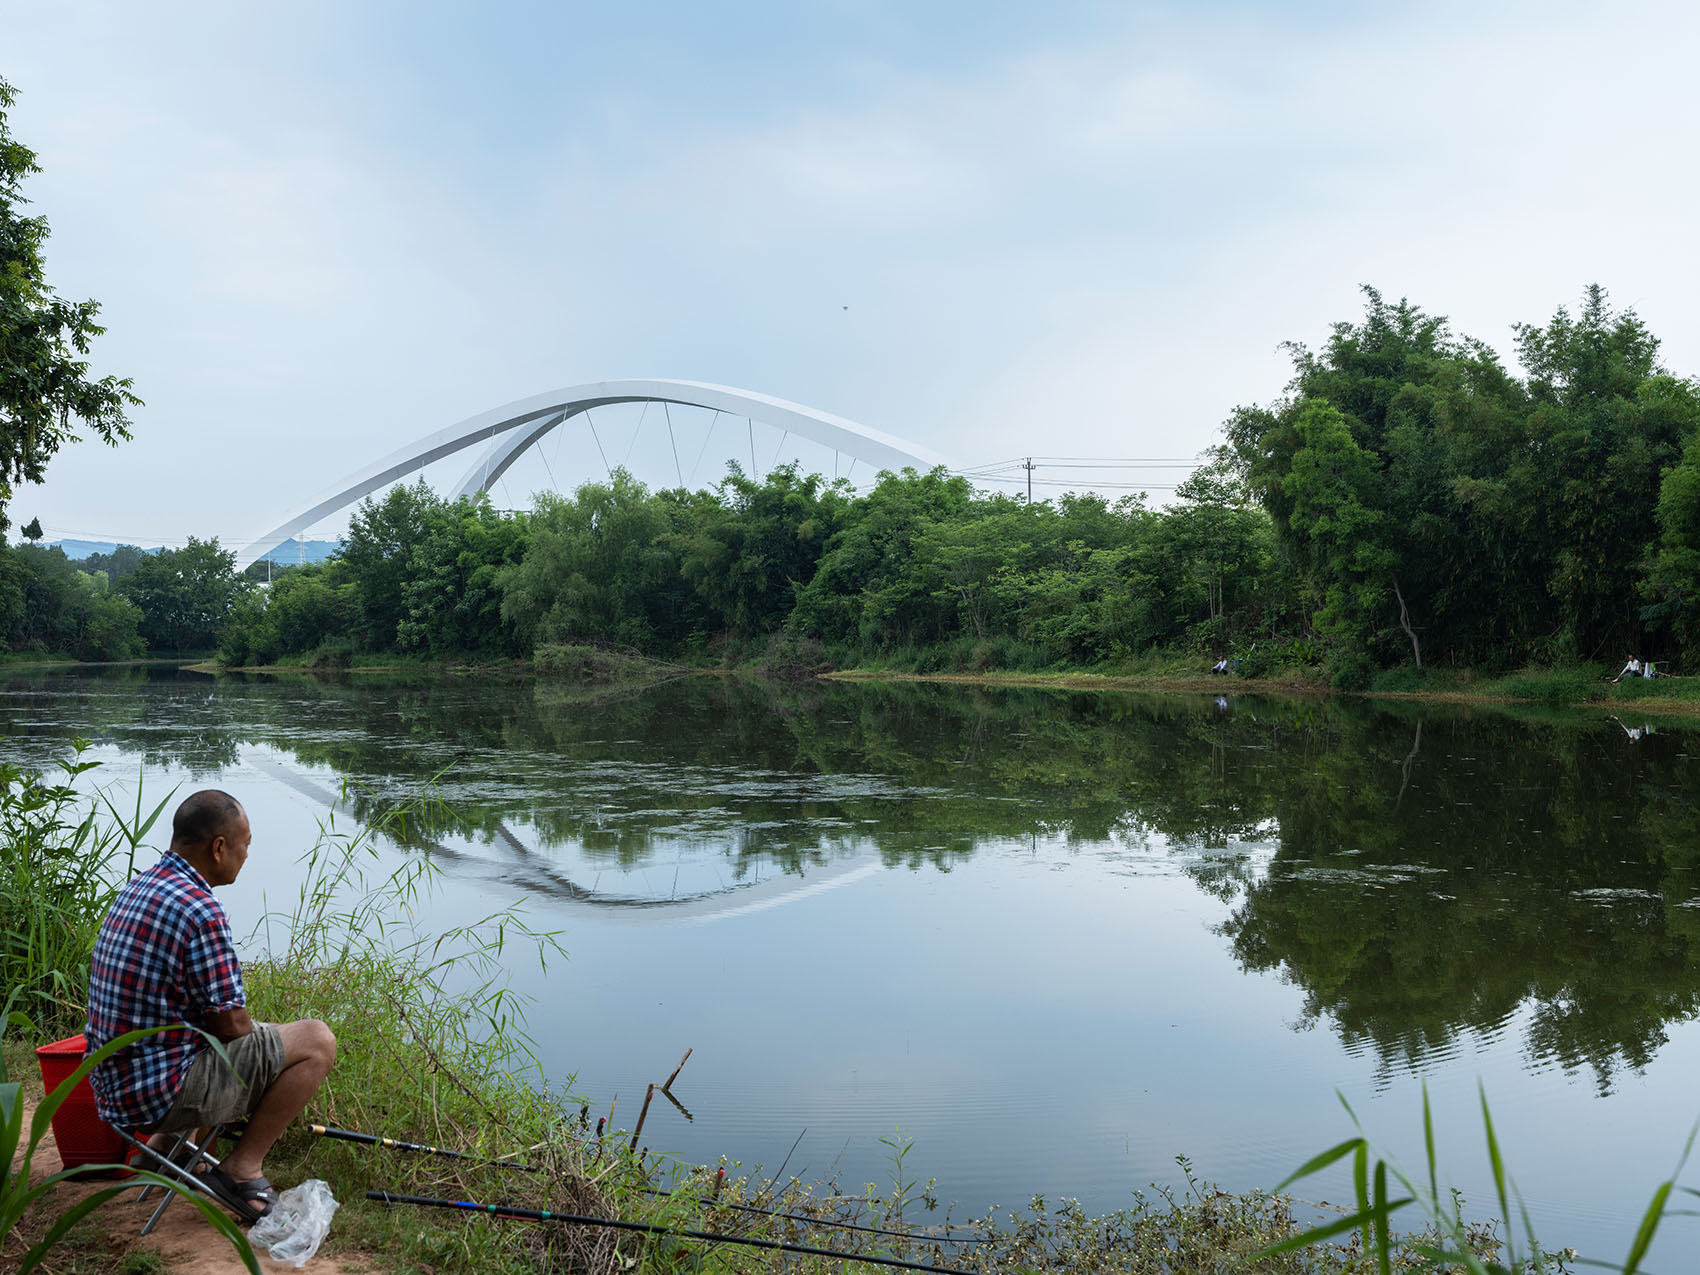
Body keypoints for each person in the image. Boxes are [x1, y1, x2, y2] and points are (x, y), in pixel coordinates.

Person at [85, 790, 336, 1222]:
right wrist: (259, 1029)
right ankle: (242, 1169)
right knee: (316, 1040)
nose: (245, 855)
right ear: (219, 847)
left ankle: (166, 1149)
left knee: (209, 1029)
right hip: (156, 1096)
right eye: (246, 844)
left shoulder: (141, 886)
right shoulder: (200, 909)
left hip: (112, 1087)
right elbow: (231, 1026)